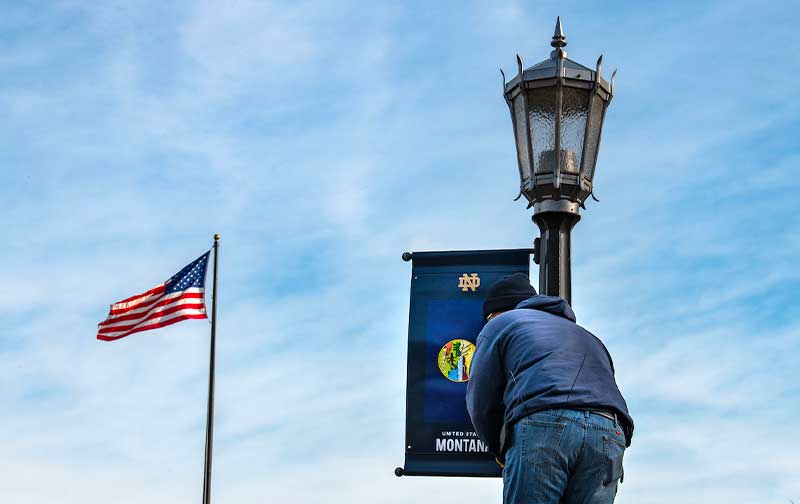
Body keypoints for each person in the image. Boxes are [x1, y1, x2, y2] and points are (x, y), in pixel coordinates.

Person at [466, 273, 633, 504]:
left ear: (498, 312)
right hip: (610, 430)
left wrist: (498, 447)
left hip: (545, 423)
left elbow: (481, 398)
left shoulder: (501, 324)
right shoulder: (587, 335)